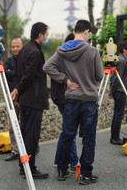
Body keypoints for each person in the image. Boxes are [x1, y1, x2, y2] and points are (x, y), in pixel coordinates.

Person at [43, 20, 103, 185]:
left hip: (71, 99)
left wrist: (65, 80)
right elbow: (99, 76)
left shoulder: (62, 50)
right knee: (89, 138)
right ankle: (85, 174)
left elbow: (47, 67)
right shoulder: (93, 51)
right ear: (87, 32)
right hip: (89, 100)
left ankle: (62, 169)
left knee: (68, 135)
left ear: (74, 30)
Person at [11, 22, 49, 179]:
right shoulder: (34, 52)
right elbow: (29, 76)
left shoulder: (25, 49)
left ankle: (23, 165)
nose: (47, 37)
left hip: (25, 99)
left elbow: (22, 74)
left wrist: (18, 90)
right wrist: (18, 89)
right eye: (46, 35)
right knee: (32, 135)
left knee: (25, 133)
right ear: (40, 35)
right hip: (34, 99)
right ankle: (30, 168)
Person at [52, 33, 78, 172]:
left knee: (67, 131)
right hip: (64, 98)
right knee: (70, 131)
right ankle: (73, 162)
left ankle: (59, 160)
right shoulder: (63, 56)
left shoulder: (61, 55)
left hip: (62, 97)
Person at [3, 37, 24, 161]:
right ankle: (15, 150)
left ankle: (27, 148)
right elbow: (4, 73)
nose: (15, 49)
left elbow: (24, 75)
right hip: (10, 96)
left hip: (23, 96)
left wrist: (13, 72)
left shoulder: (26, 60)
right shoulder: (8, 61)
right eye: (13, 46)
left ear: (22, 47)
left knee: (25, 124)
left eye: (18, 46)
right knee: (11, 125)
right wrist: (15, 72)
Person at [108, 41, 127, 145]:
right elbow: (117, 77)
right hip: (120, 90)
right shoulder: (122, 61)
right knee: (119, 114)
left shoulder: (120, 59)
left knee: (117, 114)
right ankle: (115, 137)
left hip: (119, 90)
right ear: (124, 50)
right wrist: (112, 90)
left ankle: (114, 136)